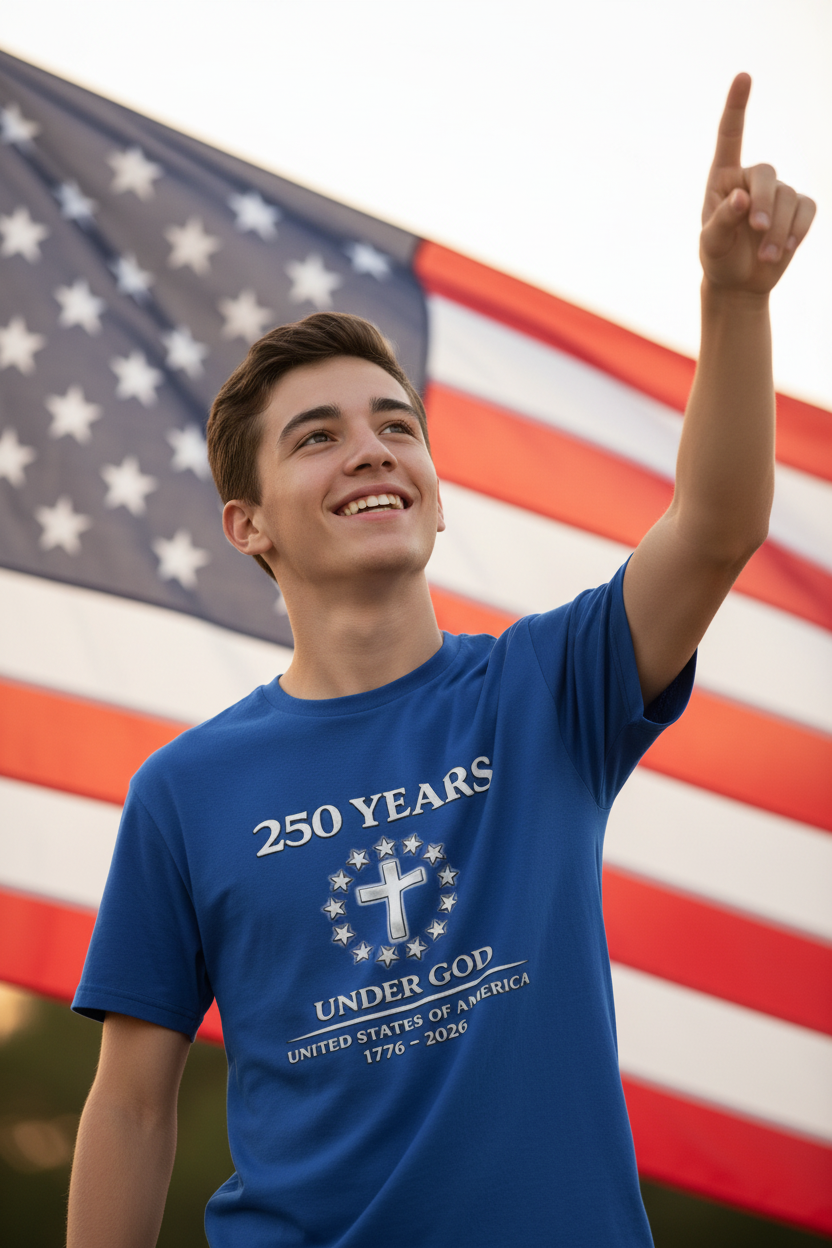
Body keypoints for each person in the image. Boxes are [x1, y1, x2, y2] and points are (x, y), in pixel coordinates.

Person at [66, 74, 815, 1247]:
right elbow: (129, 1108)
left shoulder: (545, 692)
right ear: (247, 524)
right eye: (318, 437)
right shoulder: (183, 792)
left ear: (430, 489)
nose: (372, 451)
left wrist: (731, 301)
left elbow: (716, 526)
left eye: (394, 426)